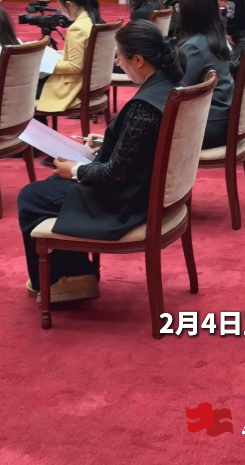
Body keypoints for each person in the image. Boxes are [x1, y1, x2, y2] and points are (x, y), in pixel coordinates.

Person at [19, 20, 187, 303]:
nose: (118, 62)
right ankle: (73, 272)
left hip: (127, 201)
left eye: (119, 56)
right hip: (149, 189)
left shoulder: (143, 106)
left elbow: (115, 173)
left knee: (32, 197)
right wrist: (109, 142)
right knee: (50, 187)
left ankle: (66, 278)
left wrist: (76, 170)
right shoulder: (169, 86)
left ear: (138, 59)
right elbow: (144, 144)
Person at [178, 0, 233, 148]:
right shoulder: (217, 38)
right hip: (225, 119)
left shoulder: (194, 46)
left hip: (208, 125)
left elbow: (178, 88)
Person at [36, 0, 102, 114]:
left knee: (23, 90)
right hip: (94, 81)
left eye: (60, 6)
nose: (60, 10)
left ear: (69, 5)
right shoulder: (92, 20)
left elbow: (74, 67)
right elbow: (86, 54)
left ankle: (37, 127)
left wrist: (46, 65)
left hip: (74, 85)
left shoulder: (76, 28)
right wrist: (61, 54)